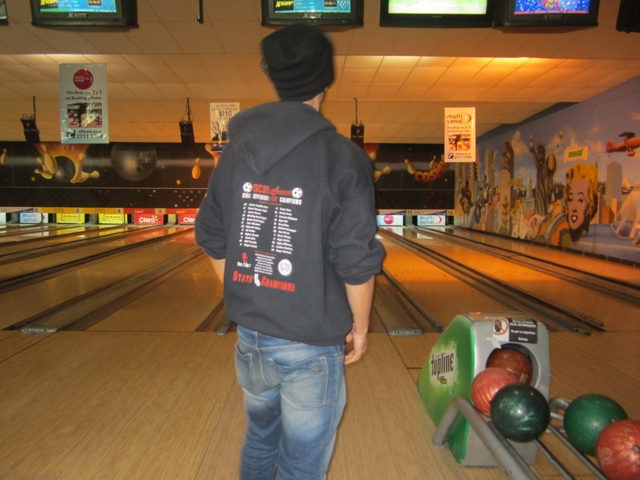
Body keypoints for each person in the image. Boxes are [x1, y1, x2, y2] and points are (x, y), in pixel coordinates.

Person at [194, 23, 385, 480]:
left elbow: (211, 235)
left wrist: (248, 291)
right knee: (301, 464)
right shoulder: (344, 157)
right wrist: (360, 328)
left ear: (276, 79)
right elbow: (356, 260)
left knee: (261, 439)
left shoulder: (235, 152)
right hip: (312, 347)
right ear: (326, 80)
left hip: (251, 340)